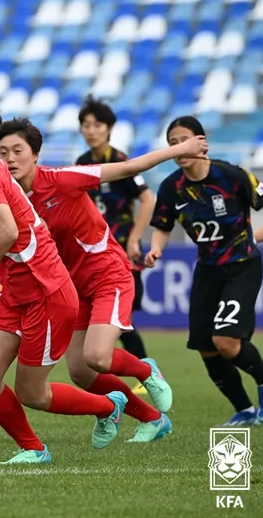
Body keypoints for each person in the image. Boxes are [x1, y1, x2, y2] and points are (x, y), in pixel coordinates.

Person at [0, 100, 129, 465]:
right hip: (16, 292)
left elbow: (7, 231)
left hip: (45, 293)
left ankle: (108, 406)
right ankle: (33, 449)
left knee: (32, 393)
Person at [0, 118, 205, 442]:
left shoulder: (63, 179)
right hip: (71, 288)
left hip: (108, 275)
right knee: (80, 371)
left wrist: (180, 149)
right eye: (3, 152)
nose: (10, 159)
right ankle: (151, 418)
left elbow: (128, 168)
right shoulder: (9, 200)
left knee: (97, 357)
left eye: (17, 150)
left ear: (35, 154)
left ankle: (146, 370)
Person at [145, 115, 263, 426]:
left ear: (201, 143)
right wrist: (156, 248)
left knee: (225, 341)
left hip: (242, 266)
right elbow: (162, 226)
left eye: (183, 140)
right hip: (207, 270)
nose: (178, 148)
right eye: (172, 144)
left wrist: (254, 236)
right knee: (205, 347)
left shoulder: (231, 176)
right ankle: (246, 411)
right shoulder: (172, 188)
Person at [77, 97, 154, 394]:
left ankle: (146, 373)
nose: (91, 130)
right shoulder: (82, 164)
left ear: (109, 128)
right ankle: (144, 374)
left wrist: (135, 237)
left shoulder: (122, 162)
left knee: (121, 319)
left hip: (120, 252)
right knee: (117, 322)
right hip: (90, 255)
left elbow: (148, 199)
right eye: (86, 125)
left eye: (97, 125)